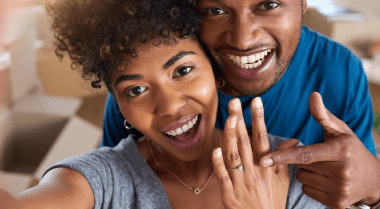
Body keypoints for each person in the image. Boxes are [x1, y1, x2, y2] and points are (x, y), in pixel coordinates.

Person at [0, 0, 330, 208]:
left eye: (183, 70)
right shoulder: (103, 179)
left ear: (215, 72)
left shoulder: (287, 170)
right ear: (119, 106)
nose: (169, 107)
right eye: (136, 91)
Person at [101, 0, 380, 208]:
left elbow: (356, 189)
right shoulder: (141, 93)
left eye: (268, 4)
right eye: (215, 10)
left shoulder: (339, 71)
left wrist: (374, 188)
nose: (243, 40)